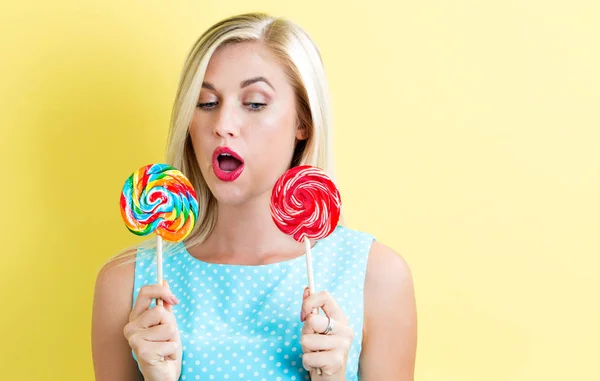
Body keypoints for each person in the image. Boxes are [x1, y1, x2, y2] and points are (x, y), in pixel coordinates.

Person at [92, 12, 417, 381]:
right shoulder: (127, 283)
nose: (223, 125)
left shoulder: (376, 275)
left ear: (302, 123)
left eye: (255, 103)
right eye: (207, 103)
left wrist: (332, 378)